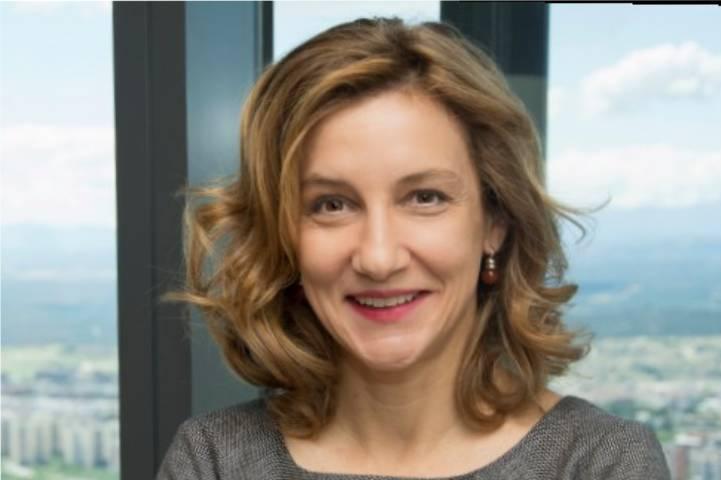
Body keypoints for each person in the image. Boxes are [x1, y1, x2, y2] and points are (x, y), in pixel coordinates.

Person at [157, 17, 671, 480]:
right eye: (331, 204)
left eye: (425, 198)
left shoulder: (601, 463)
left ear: (495, 221)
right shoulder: (215, 459)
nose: (378, 258)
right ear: (284, 235)